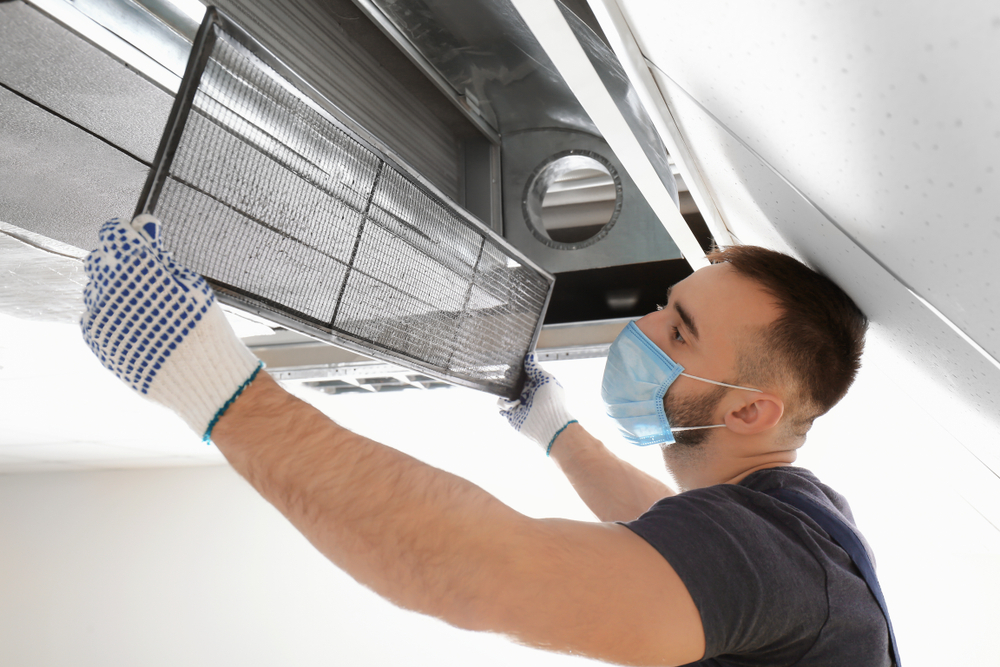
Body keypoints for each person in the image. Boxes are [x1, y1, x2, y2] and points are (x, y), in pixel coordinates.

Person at [81, 214, 894, 666]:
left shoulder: (787, 558)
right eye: (663, 304)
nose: (642, 326)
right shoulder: (797, 527)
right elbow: (666, 537)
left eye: (677, 331)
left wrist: (218, 389)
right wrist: (554, 429)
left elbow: (477, 568)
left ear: (749, 412)